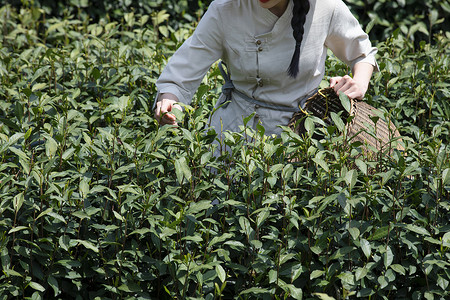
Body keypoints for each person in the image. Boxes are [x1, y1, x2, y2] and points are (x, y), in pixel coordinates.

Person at [153, 0, 378, 137]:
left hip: (302, 133)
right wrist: (169, 101)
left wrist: (357, 83)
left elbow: (362, 53)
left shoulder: (324, 5)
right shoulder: (226, 8)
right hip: (234, 132)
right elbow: (184, 70)